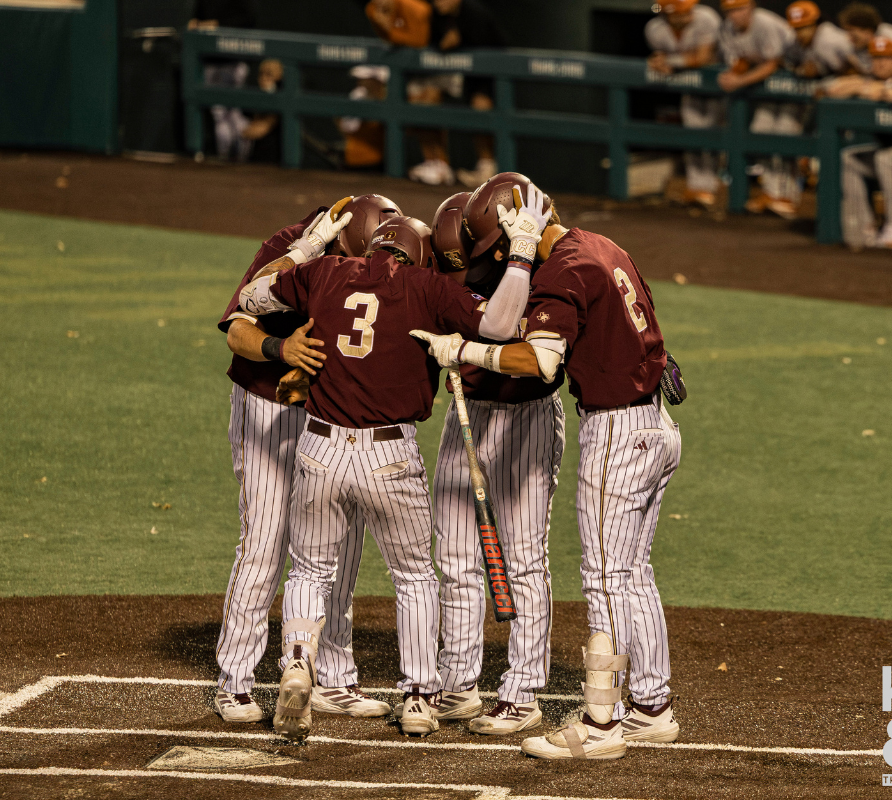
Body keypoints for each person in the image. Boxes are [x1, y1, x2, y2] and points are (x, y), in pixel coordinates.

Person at [234, 188, 546, 741]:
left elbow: (254, 298)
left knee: (309, 570)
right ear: (420, 255)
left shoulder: (325, 273)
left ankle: (299, 661)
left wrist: (305, 250)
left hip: (320, 448)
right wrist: (519, 256)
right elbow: (499, 326)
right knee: (414, 576)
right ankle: (421, 697)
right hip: (390, 458)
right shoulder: (428, 287)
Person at [413, 187, 682, 760]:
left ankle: (602, 722)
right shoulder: (602, 246)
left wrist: (464, 351)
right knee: (633, 572)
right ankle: (652, 707)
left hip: (618, 433)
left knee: (607, 578)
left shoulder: (561, 272)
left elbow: (540, 360)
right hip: (657, 424)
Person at [212, 194, 402, 726]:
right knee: (267, 538)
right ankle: (236, 681)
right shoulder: (288, 247)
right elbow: (236, 325)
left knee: (334, 543)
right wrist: (281, 350)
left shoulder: (385, 258)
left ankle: (333, 677)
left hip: (330, 413)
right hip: (268, 404)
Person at [424, 178, 566, 735]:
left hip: (528, 415)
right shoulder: (452, 251)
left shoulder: (550, 268)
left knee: (525, 557)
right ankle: (458, 683)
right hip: (470, 411)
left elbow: (516, 335)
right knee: (456, 556)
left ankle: (524, 690)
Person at [824, 36, 892, 249]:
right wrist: (863, 86)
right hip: (888, 151)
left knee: (884, 158)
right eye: (876, 58)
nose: (881, 64)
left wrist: (880, 90)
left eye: (887, 58)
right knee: (849, 159)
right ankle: (866, 226)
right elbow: (832, 89)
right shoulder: (870, 80)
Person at [409, 0, 507, 187]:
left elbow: (496, 46)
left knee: (481, 106)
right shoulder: (436, 15)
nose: (439, 2)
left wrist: (461, 38)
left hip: (484, 74)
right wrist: (443, 43)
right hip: (452, 71)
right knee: (423, 96)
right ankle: (438, 164)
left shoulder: (474, 13)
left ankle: (488, 167)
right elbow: (430, 41)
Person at [717, 0, 801, 218]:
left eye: (739, 9)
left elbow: (773, 63)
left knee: (785, 132)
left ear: (751, 7)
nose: (734, 15)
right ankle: (771, 192)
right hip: (767, 85)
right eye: (730, 10)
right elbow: (741, 58)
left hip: (796, 78)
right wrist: (734, 73)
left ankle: (787, 196)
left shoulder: (765, 23)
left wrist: (740, 80)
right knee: (760, 129)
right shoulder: (727, 27)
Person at [644, 0, 724, 209]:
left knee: (711, 134)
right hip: (690, 87)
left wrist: (671, 62)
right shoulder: (655, 29)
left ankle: (711, 188)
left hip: (719, 84)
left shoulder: (706, 17)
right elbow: (663, 58)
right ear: (668, 14)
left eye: (689, 11)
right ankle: (697, 187)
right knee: (692, 133)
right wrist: (661, 63)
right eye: (682, 13)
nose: (689, 16)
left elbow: (704, 57)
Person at [783, 1, 854, 78]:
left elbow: (847, 70)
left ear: (816, 23)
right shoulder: (798, 41)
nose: (801, 33)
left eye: (804, 27)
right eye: (796, 28)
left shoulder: (828, 40)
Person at [338, 65, 390, 170]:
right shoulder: (358, 95)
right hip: (362, 163)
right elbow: (348, 127)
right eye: (359, 79)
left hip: (386, 162)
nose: (360, 83)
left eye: (365, 79)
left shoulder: (390, 94)